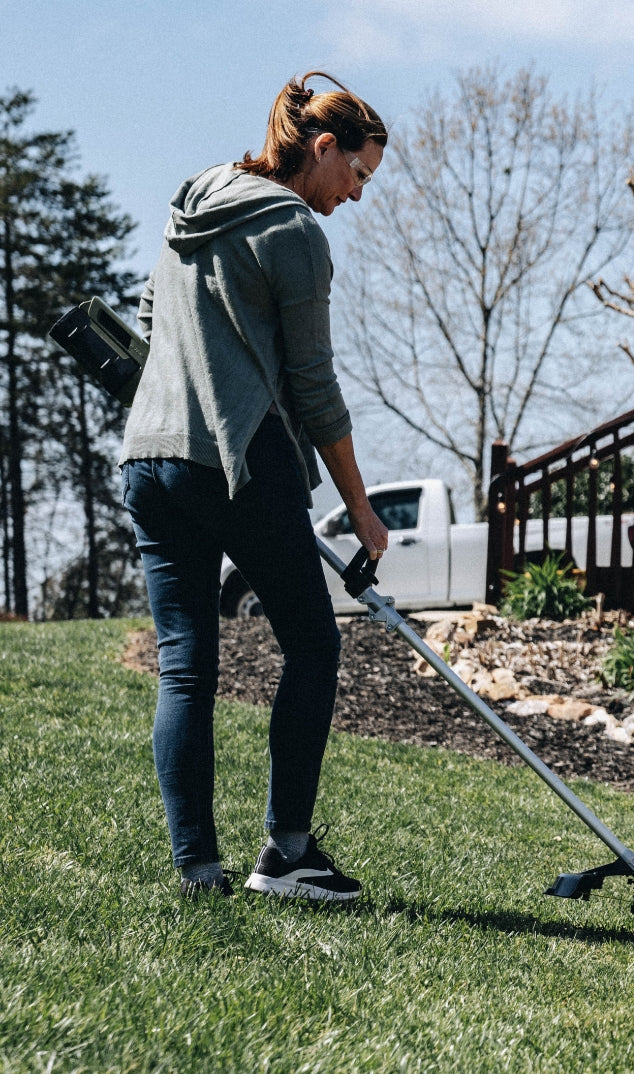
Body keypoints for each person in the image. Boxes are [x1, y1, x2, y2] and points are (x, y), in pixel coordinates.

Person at [120, 71, 390, 901]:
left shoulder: (194, 199)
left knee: (186, 665)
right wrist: (360, 507)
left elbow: (146, 317)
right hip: (241, 462)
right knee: (312, 644)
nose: (354, 194)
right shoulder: (294, 233)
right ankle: (288, 854)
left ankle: (198, 868)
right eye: (356, 173)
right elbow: (314, 384)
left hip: (149, 458)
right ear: (321, 148)